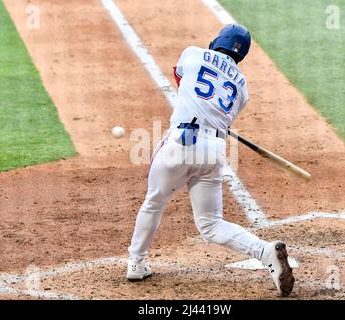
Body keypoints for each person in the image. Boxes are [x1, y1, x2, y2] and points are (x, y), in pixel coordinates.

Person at [126, 24, 295, 297]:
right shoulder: (243, 88)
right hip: (212, 150)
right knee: (211, 224)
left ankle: (136, 262)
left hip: (180, 141)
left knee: (155, 201)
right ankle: (264, 252)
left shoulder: (193, 54)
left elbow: (180, 79)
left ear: (218, 40)